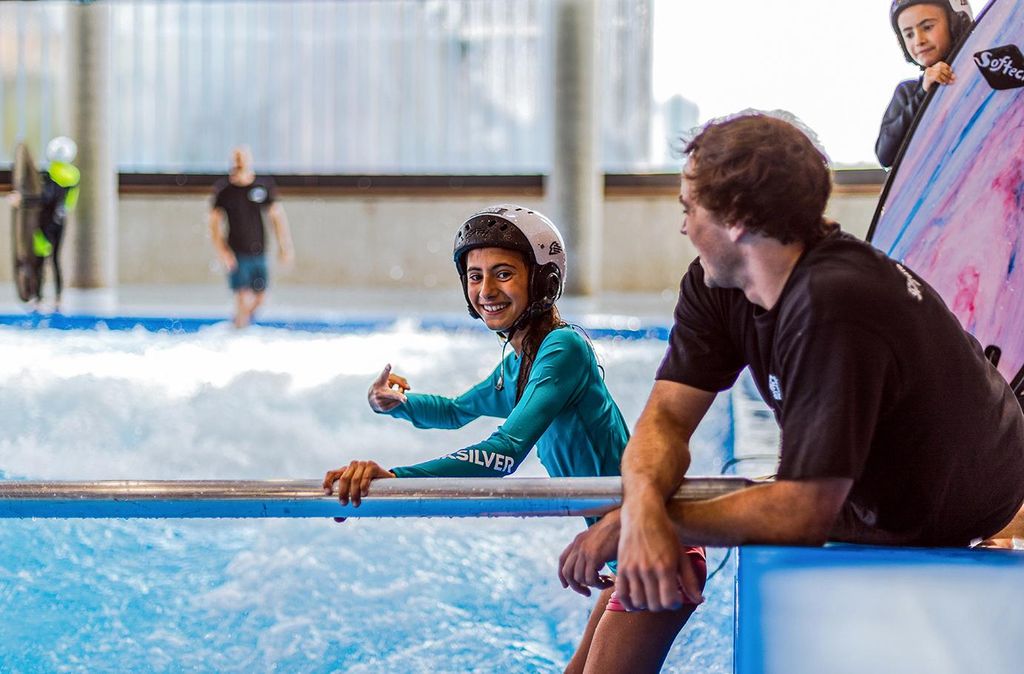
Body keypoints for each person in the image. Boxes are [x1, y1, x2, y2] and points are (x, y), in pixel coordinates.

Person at [559, 111, 1024, 614]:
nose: (683, 226)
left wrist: (650, 526)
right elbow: (668, 417)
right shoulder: (718, 284)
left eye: (689, 208)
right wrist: (642, 511)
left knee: (668, 537)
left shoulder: (835, 303)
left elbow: (801, 513)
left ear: (736, 220)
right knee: (653, 540)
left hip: (954, 500)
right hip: (866, 479)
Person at [322, 205, 707, 673]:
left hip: (655, 544)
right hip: (627, 544)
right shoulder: (519, 366)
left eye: (503, 274)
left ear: (543, 280)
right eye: (475, 276)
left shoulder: (562, 350)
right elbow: (455, 411)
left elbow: (502, 455)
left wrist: (395, 479)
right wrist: (400, 402)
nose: (486, 291)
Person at [875, 0, 973, 168]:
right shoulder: (907, 92)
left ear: (956, 23)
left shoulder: (979, 79)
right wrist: (923, 92)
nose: (919, 40)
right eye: (909, 34)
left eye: (927, 27)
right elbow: (886, 154)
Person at [208, 146, 293, 328]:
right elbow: (214, 224)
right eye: (235, 162)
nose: (238, 166)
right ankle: (239, 329)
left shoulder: (262, 186)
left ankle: (238, 325)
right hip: (236, 252)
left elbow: (276, 217)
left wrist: (284, 246)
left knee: (261, 296)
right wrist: (223, 251)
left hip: (259, 250)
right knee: (241, 296)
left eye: (241, 162)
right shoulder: (225, 191)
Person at [6, 136, 80, 311]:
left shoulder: (49, 174)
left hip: (44, 223)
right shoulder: (74, 175)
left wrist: (21, 199)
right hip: (60, 222)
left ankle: (38, 298)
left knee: (39, 260)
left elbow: (42, 199)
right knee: (55, 260)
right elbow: (68, 202)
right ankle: (58, 298)